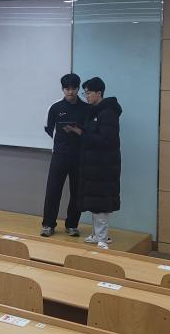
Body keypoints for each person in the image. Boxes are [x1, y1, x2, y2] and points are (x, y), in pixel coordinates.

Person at [65, 77, 122, 250]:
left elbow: (106, 140)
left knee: (101, 204)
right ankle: (98, 235)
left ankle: (103, 240)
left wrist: (80, 133)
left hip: (104, 165)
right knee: (95, 202)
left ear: (99, 93)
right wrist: (79, 129)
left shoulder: (108, 113)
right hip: (93, 164)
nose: (86, 96)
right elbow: (94, 134)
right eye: (85, 93)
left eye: (88, 93)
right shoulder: (95, 111)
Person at [40, 73, 89, 238]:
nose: (70, 92)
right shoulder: (55, 108)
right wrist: (61, 141)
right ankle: (48, 225)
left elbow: (89, 131)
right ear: (62, 89)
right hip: (59, 155)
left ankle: (72, 225)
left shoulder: (86, 109)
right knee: (53, 191)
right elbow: (48, 128)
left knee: (77, 192)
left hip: (79, 156)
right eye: (67, 89)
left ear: (78, 88)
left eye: (73, 88)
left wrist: (77, 132)